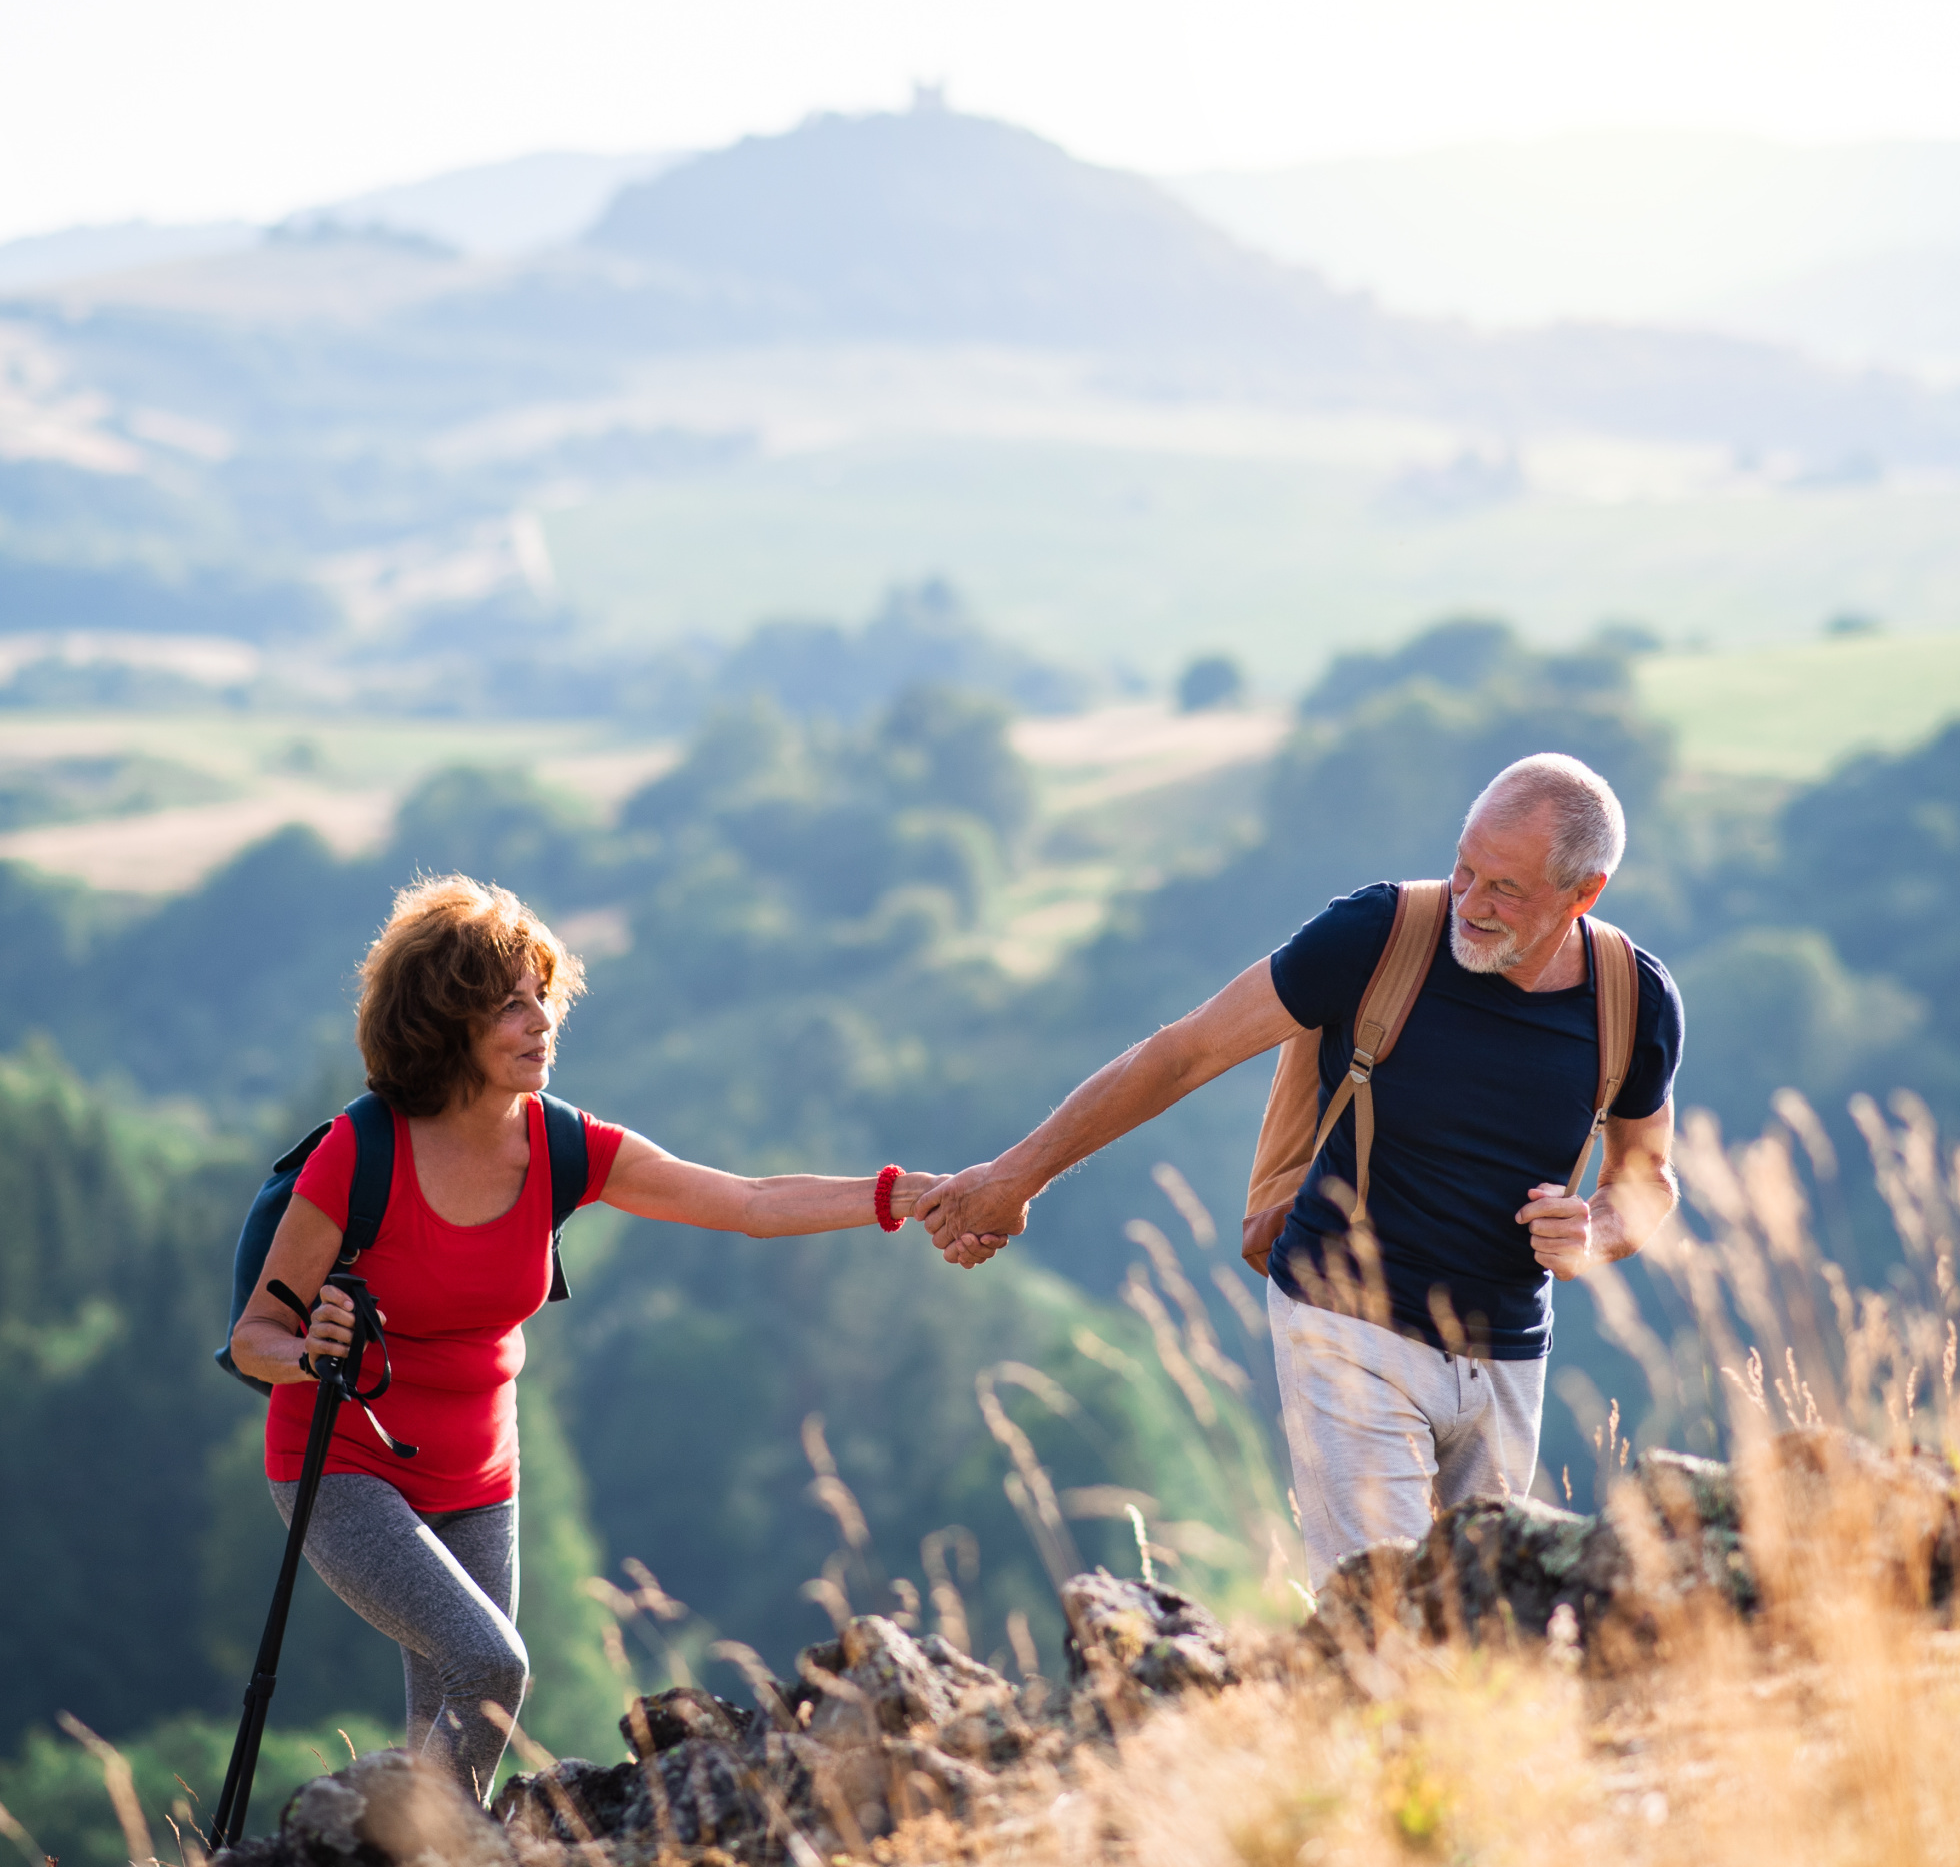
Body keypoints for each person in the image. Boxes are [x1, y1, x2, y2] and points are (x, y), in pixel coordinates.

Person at [229, 874, 947, 1802]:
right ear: (444, 1021)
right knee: (493, 1669)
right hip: (344, 1472)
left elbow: (750, 1203)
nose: (540, 1023)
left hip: (481, 1477)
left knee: (458, 1725)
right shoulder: (361, 1153)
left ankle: (426, 1854)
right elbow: (255, 1337)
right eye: (508, 1006)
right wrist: (311, 1354)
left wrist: (898, 1194)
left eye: (542, 1000)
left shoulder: (561, 1146)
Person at [919, 753, 1684, 1585]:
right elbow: (1185, 1053)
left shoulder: (1631, 999)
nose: (1469, 901)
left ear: (1584, 893)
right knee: (1381, 1613)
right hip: (1345, 1322)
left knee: (1485, 1634)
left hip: (1506, 1354)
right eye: (1464, 867)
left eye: (1505, 889)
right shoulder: (1376, 936)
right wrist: (1014, 1177)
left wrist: (1596, 1232)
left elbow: (1646, 1179)